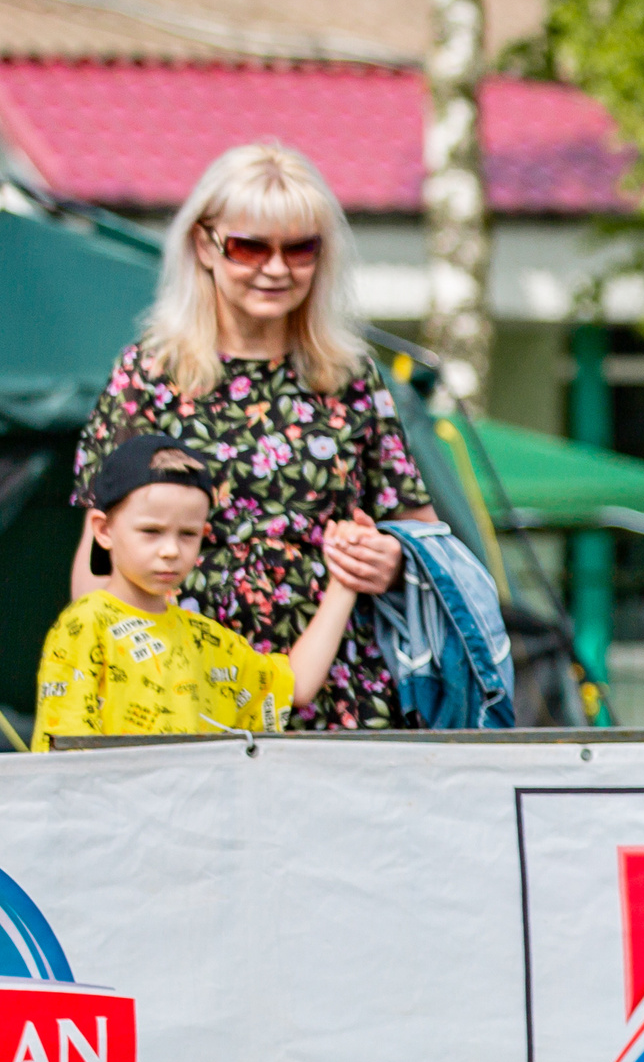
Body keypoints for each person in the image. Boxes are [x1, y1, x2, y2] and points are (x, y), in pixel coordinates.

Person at [70, 141, 431, 730]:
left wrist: (389, 560)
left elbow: (418, 531)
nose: (276, 268)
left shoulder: (350, 376)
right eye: (249, 247)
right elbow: (100, 550)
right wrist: (101, 675)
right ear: (202, 246)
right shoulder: (148, 373)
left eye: (300, 249)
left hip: (337, 687)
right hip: (181, 685)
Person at [36, 438, 362, 749]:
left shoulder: (208, 640)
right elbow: (65, 760)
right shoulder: (83, 627)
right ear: (104, 530)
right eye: (151, 531)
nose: (170, 550)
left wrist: (345, 580)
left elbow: (297, 684)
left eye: (188, 534)